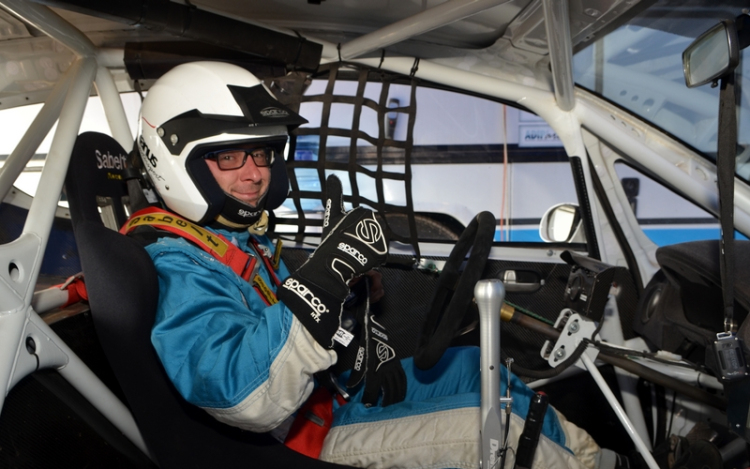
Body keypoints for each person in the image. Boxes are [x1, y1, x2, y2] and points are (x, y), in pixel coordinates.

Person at [134, 61, 608, 469]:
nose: (255, 173)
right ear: (175, 159)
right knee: (494, 430)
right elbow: (243, 395)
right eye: (229, 157)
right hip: (300, 444)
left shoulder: (235, 240)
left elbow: (281, 325)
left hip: (324, 403)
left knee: (474, 367)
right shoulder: (177, 262)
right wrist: (323, 281)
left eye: (260, 153)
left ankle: (598, 460)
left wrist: (349, 305)